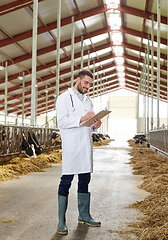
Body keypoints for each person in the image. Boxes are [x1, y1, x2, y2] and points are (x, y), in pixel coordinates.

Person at [55, 69, 102, 235]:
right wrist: (82, 119)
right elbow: (61, 121)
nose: (88, 87)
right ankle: (61, 221)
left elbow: (88, 124)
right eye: (85, 83)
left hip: (85, 146)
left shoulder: (88, 101)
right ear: (78, 80)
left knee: (85, 180)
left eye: (90, 84)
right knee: (66, 181)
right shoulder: (64, 98)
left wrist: (95, 125)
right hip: (71, 146)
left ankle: (84, 215)